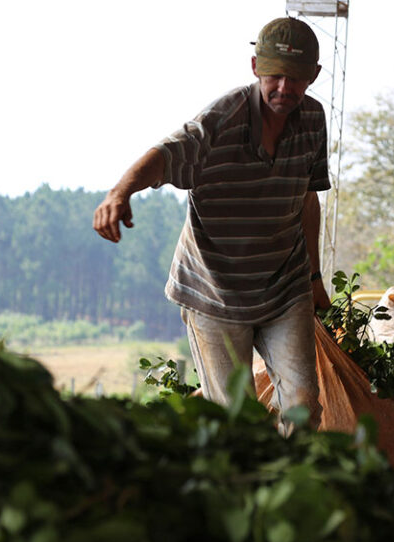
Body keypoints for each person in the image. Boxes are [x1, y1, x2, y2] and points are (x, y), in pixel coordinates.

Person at [92, 17, 330, 427]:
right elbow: (165, 154)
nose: (284, 89)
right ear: (256, 67)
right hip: (214, 293)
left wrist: (314, 277)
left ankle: (289, 485)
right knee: (235, 419)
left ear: (314, 76)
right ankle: (244, 487)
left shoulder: (313, 120)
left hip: (284, 287)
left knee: (304, 404)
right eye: (274, 76)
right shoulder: (222, 121)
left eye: (296, 79)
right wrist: (120, 192)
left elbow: (308, 197)